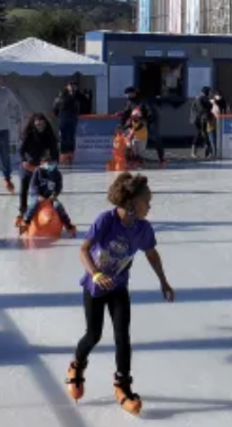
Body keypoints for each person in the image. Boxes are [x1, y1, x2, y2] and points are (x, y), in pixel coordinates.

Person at [66, 173, 174, 416]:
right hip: (94, 287)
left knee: (122, 336)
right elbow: (83, 250)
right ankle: (76, 366)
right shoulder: (106, 221)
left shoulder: (144, 229)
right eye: (146, 201)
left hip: (118, 288)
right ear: (130, 203)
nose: (150, 206)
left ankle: (123, 385)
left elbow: (151, 254)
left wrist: (164, 282)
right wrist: (94, 273)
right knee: (93, 334)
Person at [17, 113, 60, 227]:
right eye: (38, 125)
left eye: (42, 125)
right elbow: (20, 150)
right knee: (24, 188)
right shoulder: (27, 135)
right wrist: (23, 161)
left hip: (42, 166)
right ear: (33, 124)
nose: (40, 127)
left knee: (45, 190)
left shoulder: (49, 135)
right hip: (28, 166)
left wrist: (54, 163)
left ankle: (46, 212)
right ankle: (22, 212)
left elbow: (55, 152)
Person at [19, 160, 76, 237]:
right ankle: (26, 222)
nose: (48, 165)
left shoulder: (57, 173)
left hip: (50, 197)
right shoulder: (37, 171)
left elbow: (59, 187)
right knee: (34, 204)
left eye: (50, 163)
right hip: (38, 196)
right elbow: (33, 185)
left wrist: (54, 195)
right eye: (46, 163)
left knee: (58, 205)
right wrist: (38, 195)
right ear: (42, 164)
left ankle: (68, 225)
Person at [53, 81, 82, 165]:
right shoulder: (74, 98)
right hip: (68, 121)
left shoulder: (62, 98)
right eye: (71, 86)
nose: (72, 88)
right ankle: (67, 157)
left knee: (66, 138)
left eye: (73, 86)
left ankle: (66, 157)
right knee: (68, 138)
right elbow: (78, 110)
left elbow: (55, 111)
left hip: (66, 121)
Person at [189, 87, 214, 158]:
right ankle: (209, 152)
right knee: (205, 134)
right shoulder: (204, 98)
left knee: (198, 133)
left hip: (196, 119)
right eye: (209, 92)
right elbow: (210, 106)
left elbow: (193, 109)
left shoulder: (196, 99)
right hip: (203, 119)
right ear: (206, 92)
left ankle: (193, 152)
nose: (210, 94)